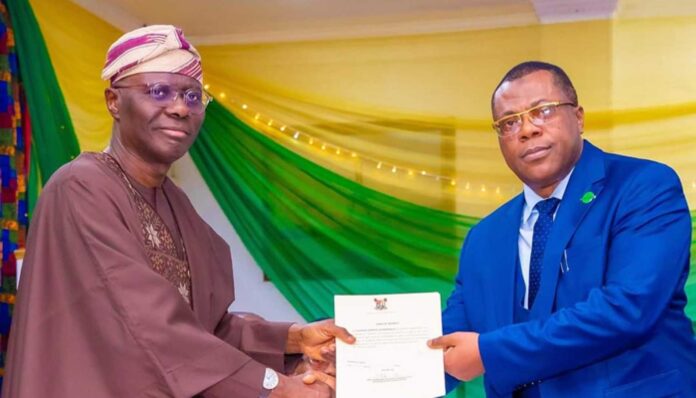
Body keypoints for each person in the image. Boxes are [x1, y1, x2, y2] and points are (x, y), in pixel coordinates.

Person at [3, 25, 354, 398]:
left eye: (192, 95)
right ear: (113, 101)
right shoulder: (81, 189)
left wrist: (295, 339)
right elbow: (147, 325)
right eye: (158, 91)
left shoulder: (177, 204)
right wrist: (276, 387)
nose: (180, 107)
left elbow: (205, 330)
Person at [428, 61, 696, 397]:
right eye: (509, 122)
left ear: (579, 117)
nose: (527, 130)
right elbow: (451, 341)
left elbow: (628, 308)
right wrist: (351, 368)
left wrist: (488, 352)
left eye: (542, 111)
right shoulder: (484, 238)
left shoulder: (642, 187)